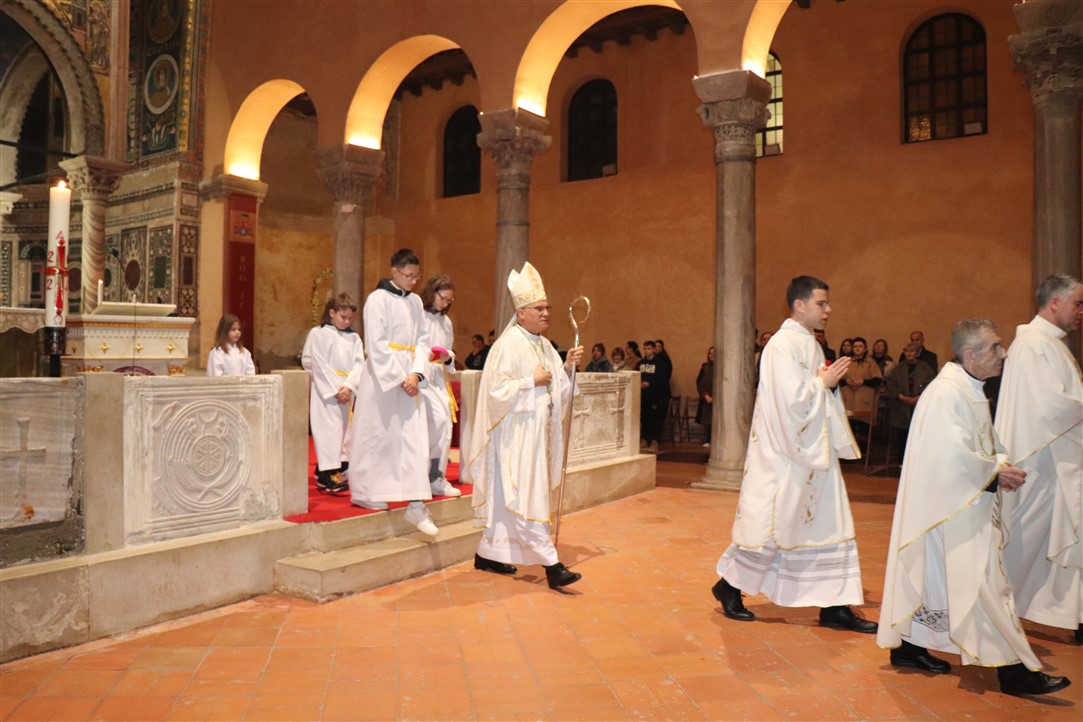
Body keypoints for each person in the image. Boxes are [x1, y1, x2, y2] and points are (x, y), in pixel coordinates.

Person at [877, 319, 1072, 697]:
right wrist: (994, 473)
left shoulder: (969, 388)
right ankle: (1015, 672)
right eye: (995, 347)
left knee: (938, 582)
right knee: (986, 587)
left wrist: (999, 464)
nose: (1003, 353)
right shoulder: (947, 393)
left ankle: (909, 648)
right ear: (971, 355)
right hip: (950, 508)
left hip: (954, 505)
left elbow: (981, 444)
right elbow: (947, 455)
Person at [711, 276, 876, 633]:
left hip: (814, 452)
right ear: (799, 305)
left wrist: (825, 384)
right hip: (785, 456)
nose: (828, 310)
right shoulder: (781, 345)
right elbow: (788, 403)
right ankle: (729, 586)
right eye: (821, 303)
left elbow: (810, 394)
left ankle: (834, 606)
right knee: (776, 527)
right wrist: (823, 383)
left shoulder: (809, 342)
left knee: (826, 524)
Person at [465, 261, 585, 589]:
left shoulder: (545, 345)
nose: (546, 313)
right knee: (525, 497)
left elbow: (558, 390)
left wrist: (567, 368)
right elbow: (494, 392)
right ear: (521, 313)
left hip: (535, 435)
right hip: (513, 435)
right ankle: (552, 564)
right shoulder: (507, 345)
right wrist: (529, 381)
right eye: (539, 308)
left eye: (547, 308)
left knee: (510, 497)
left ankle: (489, 552)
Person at [995, 274, 1083, 645]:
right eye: (1077, 303)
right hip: (1039, 462)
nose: (1081, 311)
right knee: (1022, 543)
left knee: (1058, 539)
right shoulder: (1034, 344)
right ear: (1055, 303)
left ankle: (1070, 614)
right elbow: (1053, 406)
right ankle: (994, 609)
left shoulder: (1049, 343)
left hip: (1056, 458)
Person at [348, 248, 437, 536]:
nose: (413, 281)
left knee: (413, 440)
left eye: (417, 276)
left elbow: (423, 340)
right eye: (409, 275)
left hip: (410, 376)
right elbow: (376, 344)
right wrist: (400, 377)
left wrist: (417, 373)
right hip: (383, 379)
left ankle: (415, 503)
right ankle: (365, 491)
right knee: (377, 435)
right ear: (394, 272)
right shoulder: (377, 299)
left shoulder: (415, 302)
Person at [302, 294, 364, 495]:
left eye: (350, 319)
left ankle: (333, 471)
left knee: (345, 431)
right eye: (343, 317)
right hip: (326, 392)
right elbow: (316, 363)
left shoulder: (354, 338)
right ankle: (328, 475)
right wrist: (336, 388)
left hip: (346, 390)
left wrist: (349, 386)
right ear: (332, 312)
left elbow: (359, 364)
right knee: (329, 431)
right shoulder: (318, 334)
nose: (347, 322)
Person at [418, 274, 463, 500]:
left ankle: (436, 476)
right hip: (420, 377)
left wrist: (447, 356)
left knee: (444, 425)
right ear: (432, 292)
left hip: (437, 378)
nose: (445, 304)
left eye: (449, 300)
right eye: (443, 298)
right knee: (428, 425)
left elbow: (450, 350)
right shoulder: (418, 316)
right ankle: (421, 475)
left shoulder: (446, 322)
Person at [882, 342, 935, 462]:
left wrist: (919, 397)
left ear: (917, 353)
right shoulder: (898, 369)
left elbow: (931, 383)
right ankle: (901, 461)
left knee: (919, 434)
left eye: (912, 351)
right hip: (901, 407)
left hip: (919, 405)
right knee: (902, 435)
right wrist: (900, 395)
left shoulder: (925, 368)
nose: (909, 354)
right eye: (906, 352)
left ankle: (918, 460)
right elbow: (891, 383)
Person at [840, 337, 883, 443]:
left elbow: (877, 380)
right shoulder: (847, 362)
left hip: (864, 403)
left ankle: (863, 452)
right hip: (848, 402)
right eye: (855, 346)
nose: (857, 348)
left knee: (864, 432)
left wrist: (863, 382)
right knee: (849, 432)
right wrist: (847, 381)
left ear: (865, 349)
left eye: (860, 346)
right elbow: (838, 380)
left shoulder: (871, 363)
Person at [638, 340, 664, 453]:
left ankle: (654, 441)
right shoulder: (640, 364)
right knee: (644, 418)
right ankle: (644, 439)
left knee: (654, 419)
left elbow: (662, 380)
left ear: (653, 349)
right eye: (644, 349)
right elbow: (636, 376)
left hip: (654, 396)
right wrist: (640, 383)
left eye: (648, 349)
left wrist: (650, 384)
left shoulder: (659, 364)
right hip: (642, 396)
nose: (646, 351)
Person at [695, 346, 714, 448]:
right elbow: (699, 382)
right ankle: (708, 439)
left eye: (714, 353)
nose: (712, 355)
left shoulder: (723, 367)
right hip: (707, 398)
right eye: (710, 353)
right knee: (708, 420)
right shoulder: (705, 367)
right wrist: (706, 395)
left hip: (718, 398)